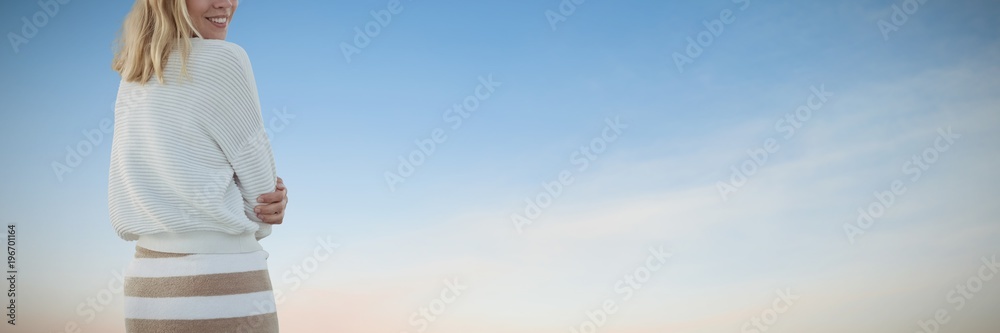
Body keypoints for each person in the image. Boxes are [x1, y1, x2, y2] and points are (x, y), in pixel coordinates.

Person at [107, 0, 287, 331]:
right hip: (224, 280)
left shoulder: (133, 74)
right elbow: (262, 200)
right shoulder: (227, 59)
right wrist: (256, 206)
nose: (225, 4)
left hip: (146, 289)